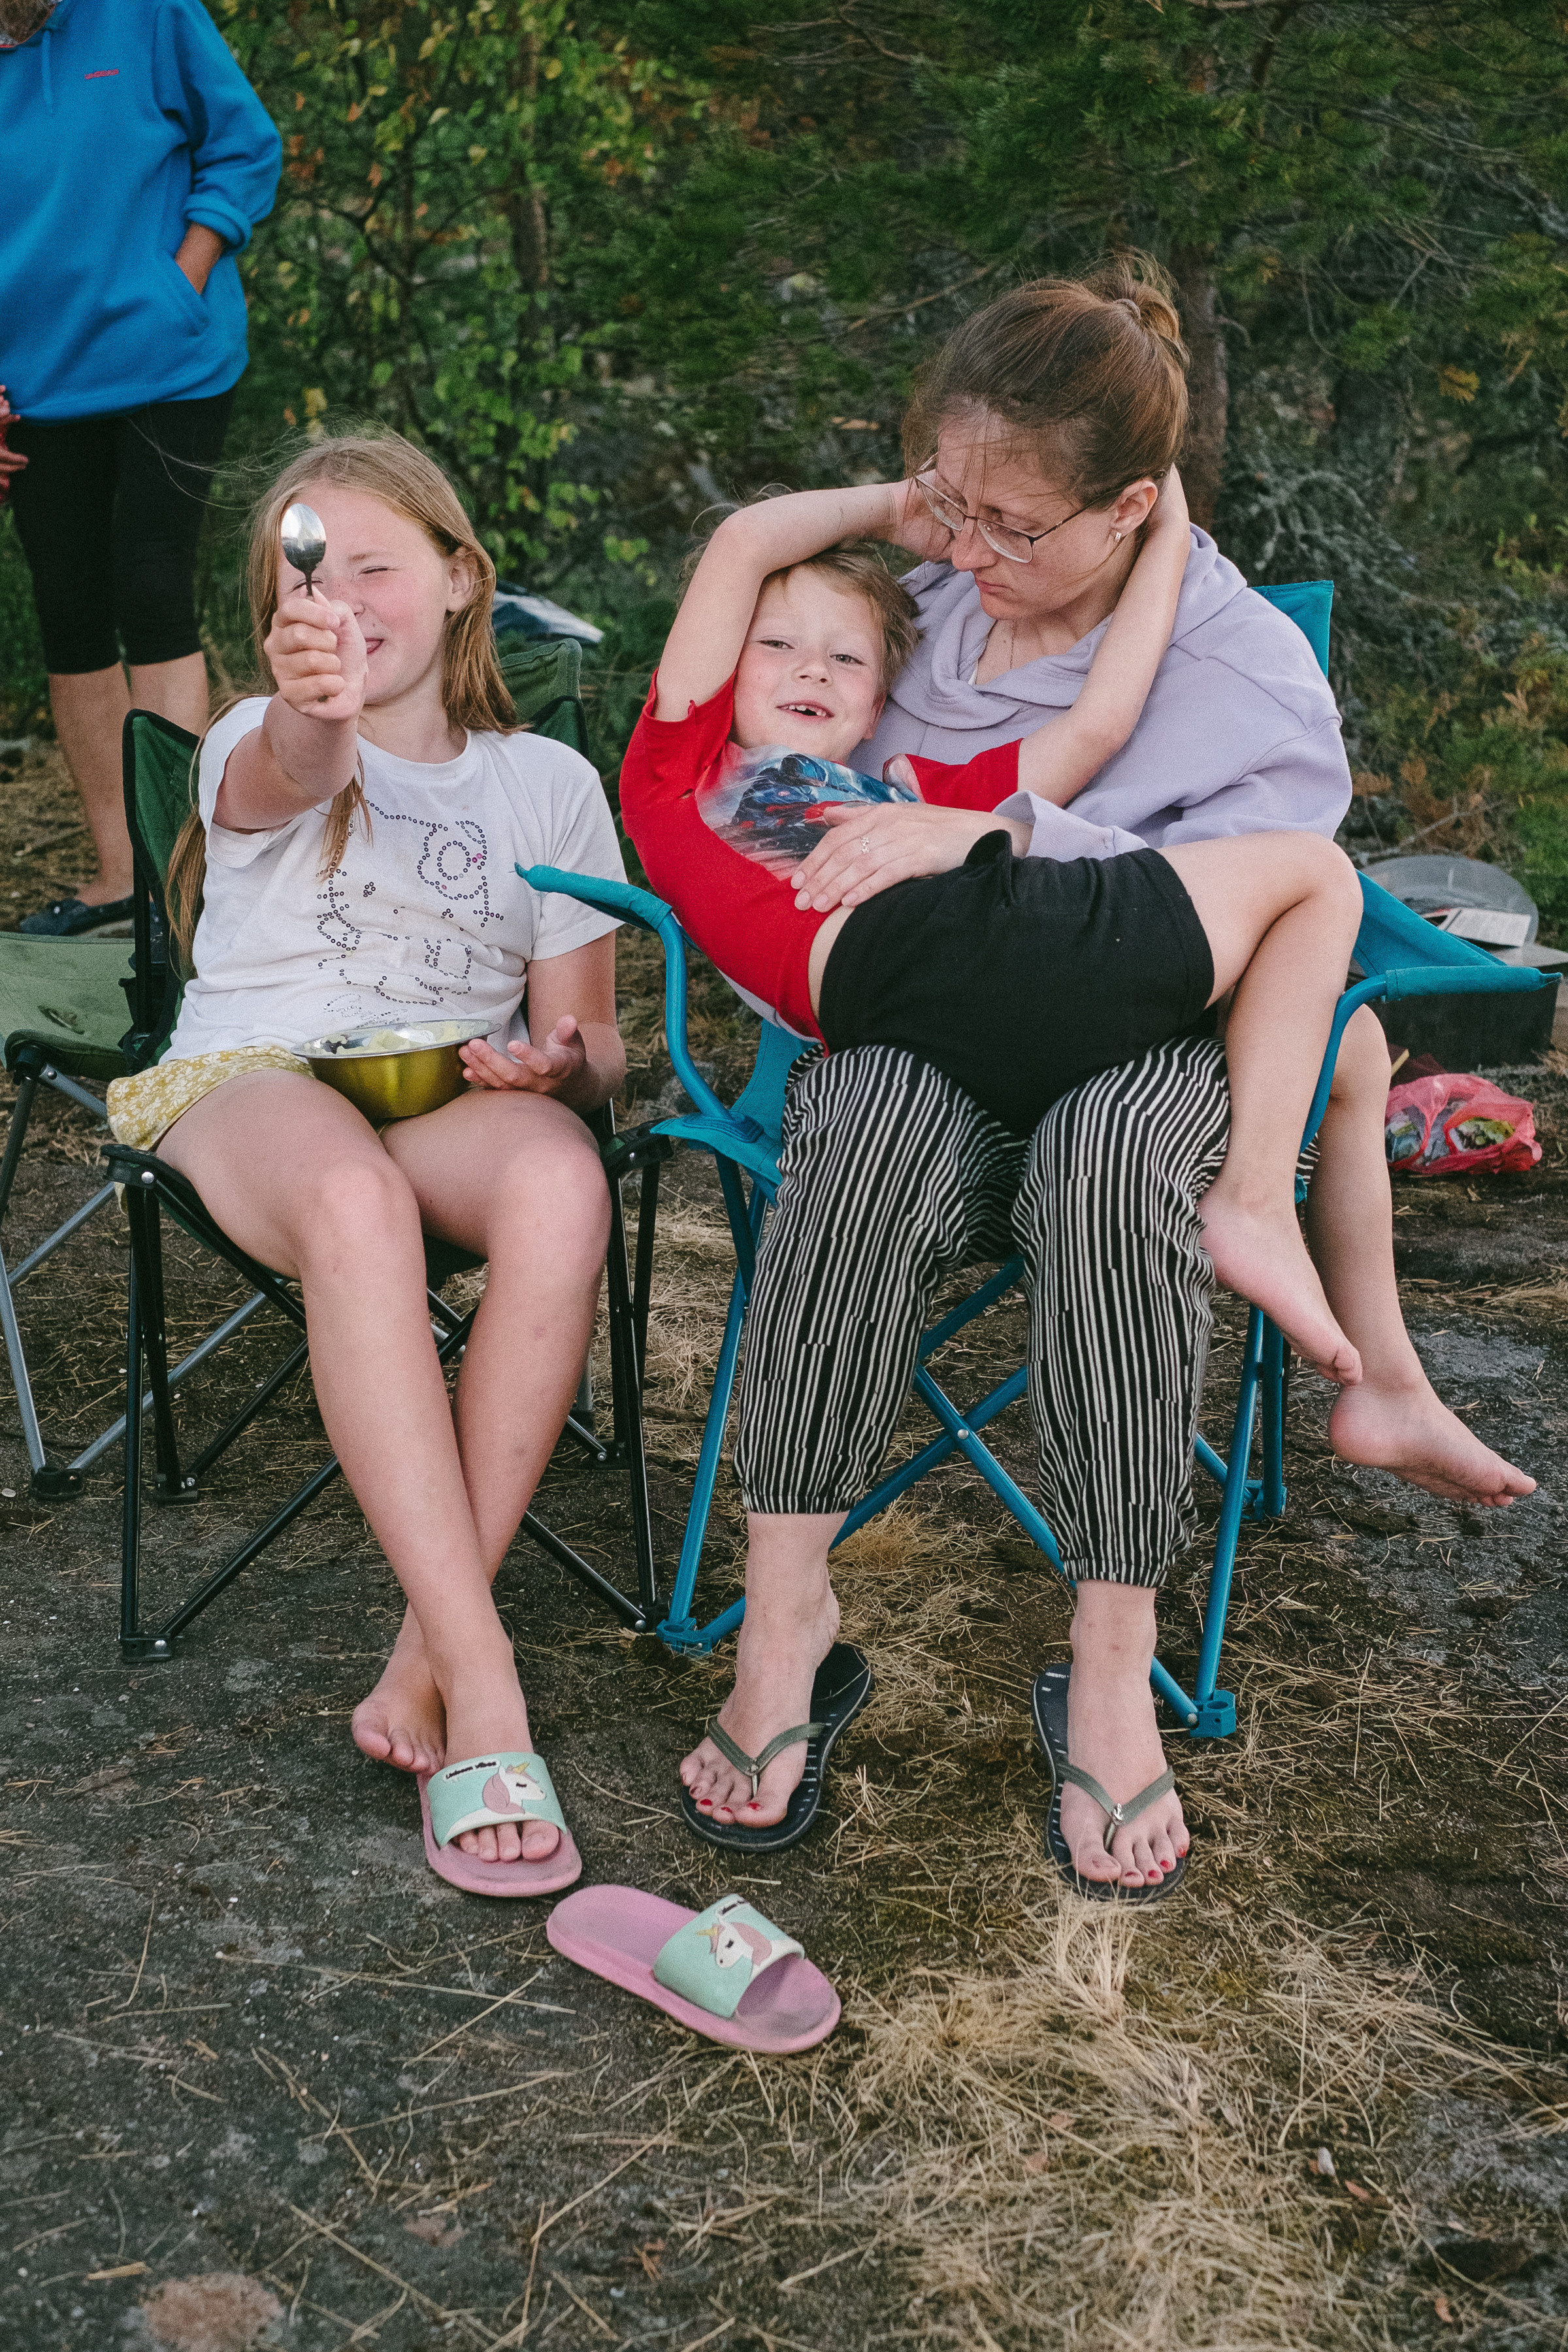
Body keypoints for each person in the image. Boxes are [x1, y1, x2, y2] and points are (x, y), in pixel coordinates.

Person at [644, 261, 1533, 1897]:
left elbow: (1250, 916)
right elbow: (780, 785)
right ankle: (786, 1632)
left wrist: (999, 830)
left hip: (1146, 1058)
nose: (965, 557)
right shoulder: (900, 622)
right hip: (922, 1039)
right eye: (946, 504)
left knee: (1111, 1159)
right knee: (855, 1115)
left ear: (1131, 511)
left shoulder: (1245, 669)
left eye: (1011, 525)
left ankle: (1114, 1662)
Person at [104, 431, 629, 1895]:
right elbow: (298, 760)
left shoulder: (548, 784)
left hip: (440, 1085)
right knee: (352, 1197)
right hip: (250, 1082)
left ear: (463, 578)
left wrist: (558, 1067)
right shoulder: (251, 734)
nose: (338, 599)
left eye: (374, 564)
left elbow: (598, 1046)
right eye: (302, 572)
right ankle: (489, 1682)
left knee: (559, 1180)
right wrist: (310, 700)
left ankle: (421, 1647)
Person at [623, 466, 1365, 1385]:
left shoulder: (905, 793)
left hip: (1012, 968)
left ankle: (1283, 1194)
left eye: (848, 659)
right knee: (1317, 886)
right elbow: (743, 542)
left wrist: (1166, 541)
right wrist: (898, 508)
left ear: (877, 702)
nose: (813, 667)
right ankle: (1262, 1200)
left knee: (1312, 908)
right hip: (945, 994)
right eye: (775, 643)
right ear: (724, 661)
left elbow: (1097, 725)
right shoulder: (674, 773)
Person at [0, 0, 282, 936]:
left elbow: (244, 144)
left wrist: (185, 273)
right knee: (69, 606)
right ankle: (121, 878)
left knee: (151, 585)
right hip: (33, 381)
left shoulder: (147, 11)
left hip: (170, 357)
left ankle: (182, 877)